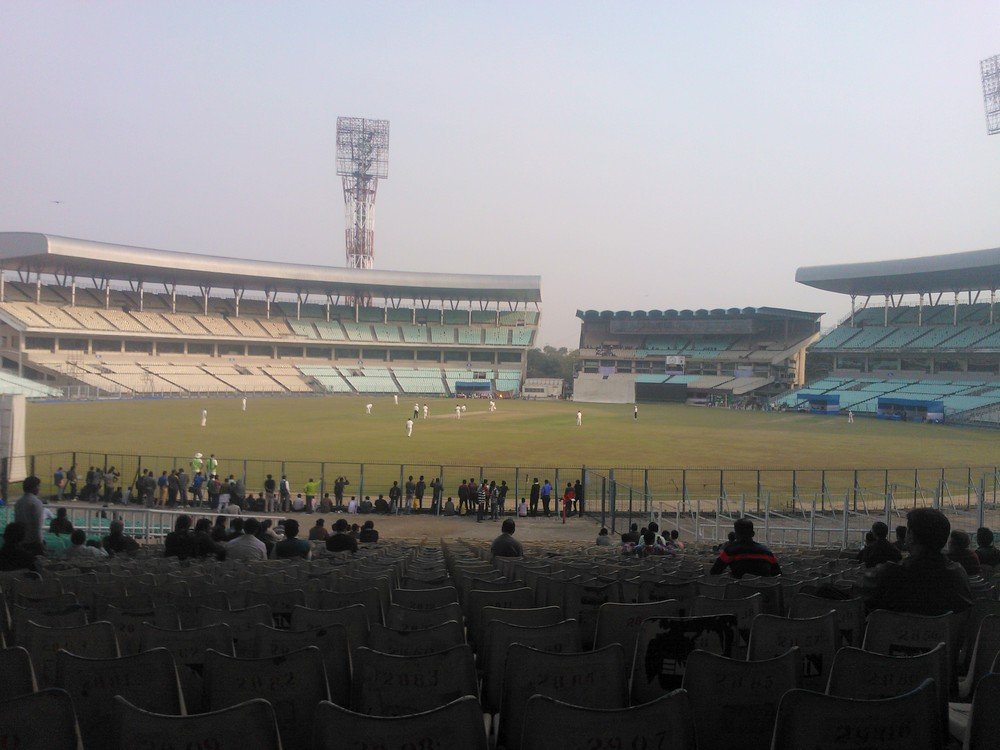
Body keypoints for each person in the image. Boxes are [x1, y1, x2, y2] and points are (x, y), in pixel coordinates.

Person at [862, 508, 973, 615]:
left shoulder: (890, 573)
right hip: (945, 633)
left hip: (895, 633)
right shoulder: (958, 573)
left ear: (911, 536)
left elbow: (861, 597)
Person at [710, 518, 781, 578]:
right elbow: (777, 574)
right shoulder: (766, 552)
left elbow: (714, 571)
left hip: (739, 592)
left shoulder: (730, 551)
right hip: (764, 591)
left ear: (736, 535)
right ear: (753, 534)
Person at [14, 476, 45, 554]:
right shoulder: (36, 502)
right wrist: (40, 542)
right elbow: (38, 525)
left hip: (21, 540)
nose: (39, 488)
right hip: (33, 543)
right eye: (38, 486)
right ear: (33, 487)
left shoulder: (18, 502)